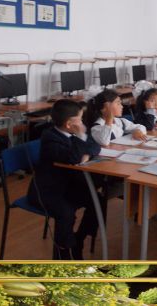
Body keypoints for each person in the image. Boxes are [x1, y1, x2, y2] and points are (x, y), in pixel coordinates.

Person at [27, 100, 101, 260]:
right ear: (69, 124)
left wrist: (85, 153)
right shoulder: (50, 139)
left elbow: (95, 146)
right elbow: (73, 158)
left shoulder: (74, 132)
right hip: (48, 190)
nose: (82, 123)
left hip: (70, 184)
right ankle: (63, 254)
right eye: (80, 119)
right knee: (66, 214)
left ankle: (78, 239)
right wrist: (81, 139)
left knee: (98, 201)